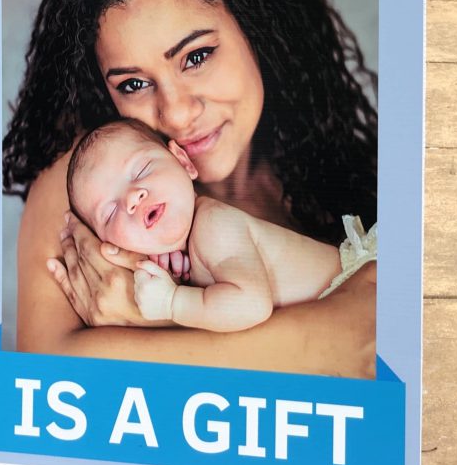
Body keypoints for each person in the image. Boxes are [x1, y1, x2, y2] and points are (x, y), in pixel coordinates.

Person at [3, 0, 378, 377]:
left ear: (258, 28)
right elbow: (44, 373)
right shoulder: (93, 182)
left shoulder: (347, 169)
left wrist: (161, 324)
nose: (177, 115)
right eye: (134, 84)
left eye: (196, 57)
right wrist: (334, 335)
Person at [67, 117, 377, 333]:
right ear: (113, 243)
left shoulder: (214, 224)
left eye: (142, 169)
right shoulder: (189, 244)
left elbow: (251, 305)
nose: (133, 198)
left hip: (361, 299)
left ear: (184, 162)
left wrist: (172, 303)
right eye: (110, 213)